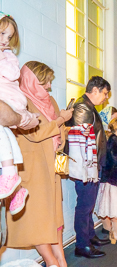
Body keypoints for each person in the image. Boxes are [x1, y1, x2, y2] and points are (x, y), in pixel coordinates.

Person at [6, 62, 72, 267]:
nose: (50, 87)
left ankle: (60, 258)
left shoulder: (49, 100)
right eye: (45, 83)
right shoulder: (20, 100)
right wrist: (60, 120)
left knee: (55, 215)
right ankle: (51, 260)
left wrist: (62, 128)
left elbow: (55, 132)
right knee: (39, 217)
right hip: (33, 166)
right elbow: (35, 132)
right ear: (32, 81)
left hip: (51, 164)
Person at [66, 76, 111, 258]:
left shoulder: (88, 106)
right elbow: (82, 142)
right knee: (84, 206)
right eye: (105, 94)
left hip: (91, 166)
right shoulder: (83, 108)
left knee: (89, 205)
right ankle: (82, 245)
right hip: (86, 167)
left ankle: (90, 236)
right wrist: (90, 169)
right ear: (95, 90)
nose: (106, 98)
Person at [0, 13, 39, 215]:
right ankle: (16, 190)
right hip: (8, 103)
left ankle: (10, 176)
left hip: (9, 99)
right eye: (2, 34)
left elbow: (13, 74)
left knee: (2, 131)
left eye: (9, 37)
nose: (5, 41)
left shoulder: (8, 58)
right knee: (5, 134)